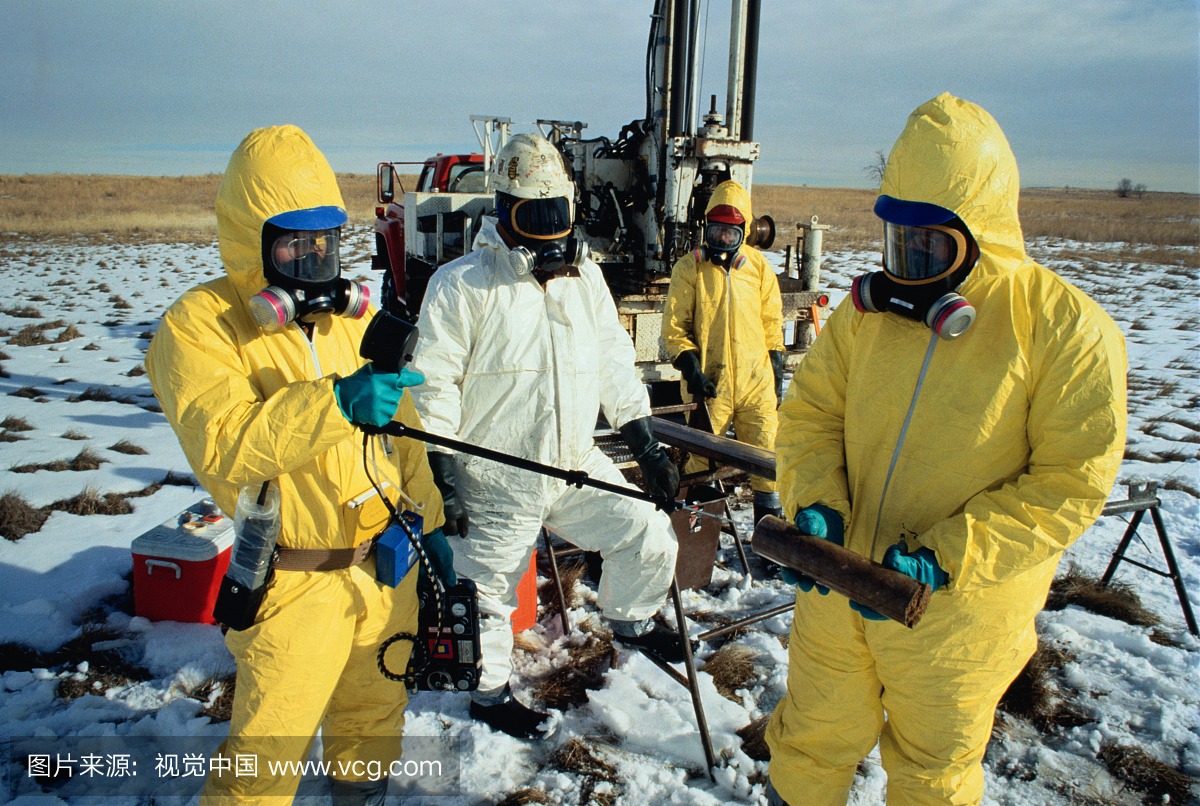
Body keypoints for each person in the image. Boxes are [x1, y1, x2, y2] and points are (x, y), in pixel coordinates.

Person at [764, 93, 1127, 805]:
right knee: (810, 738)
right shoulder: (866, 319)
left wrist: (948, 557)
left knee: (933, 772)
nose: (911, 264)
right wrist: (816, 505)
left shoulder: (1064, 330)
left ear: (980, 231)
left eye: (930, 244)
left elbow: (1069, 485)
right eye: (899, 241)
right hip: (840, 582)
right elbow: (809, 416)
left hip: (957, 616)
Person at [146, 125, 454, 805]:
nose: (314, 259)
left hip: (385, 569)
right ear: (250, 243)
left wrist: (429, 524)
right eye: (293, 242)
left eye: (325, 241)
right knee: (263, 761)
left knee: (373, 719)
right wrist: (336, 403)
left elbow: (403, 436)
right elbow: (226, 443)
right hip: (292, 582)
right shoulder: (199, 327)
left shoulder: (350, 323)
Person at [409, 132, 683, 740]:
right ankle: (489, 696)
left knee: (646, 532)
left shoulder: (584, 279)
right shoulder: (461, 285)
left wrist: (645, 444)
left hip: (573, 460)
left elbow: (613, 360)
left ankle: (631, 619)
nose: (549, 232)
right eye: (534, 218)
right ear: (504, 213)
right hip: (495, 474)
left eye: (557, 214)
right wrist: (444, 471)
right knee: (486, 594)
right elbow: (435, 383)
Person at [662, 180, 785, 523]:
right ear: (706, 229)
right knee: (702, 459)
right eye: (716, 232)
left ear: (744, 232)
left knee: (766, 458)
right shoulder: (689, 268)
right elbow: (675, 328)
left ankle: (769, 534)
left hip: (755, 383)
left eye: (731, 234)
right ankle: (699, 532)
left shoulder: (758, 267)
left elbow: (772, 321)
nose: (723, 240)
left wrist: (775, 367)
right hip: (710, 384)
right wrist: (692, 369)